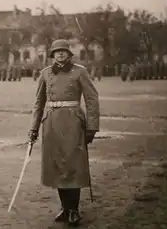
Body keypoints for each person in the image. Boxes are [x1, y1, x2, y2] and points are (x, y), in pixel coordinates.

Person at [28, 39, 100, 227]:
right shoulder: (45, 74)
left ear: (69, 54)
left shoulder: (80, 72)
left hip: (73, 123)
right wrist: (34, 128)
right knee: (57, 166)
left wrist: (92, 126)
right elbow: (38, 103)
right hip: (51, 123)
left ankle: (74, 209)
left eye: (63, 51)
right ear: (52, 55)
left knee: (72, 165)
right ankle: (65, 207)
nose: (60, 54)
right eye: (56, 52)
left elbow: (92, 99)